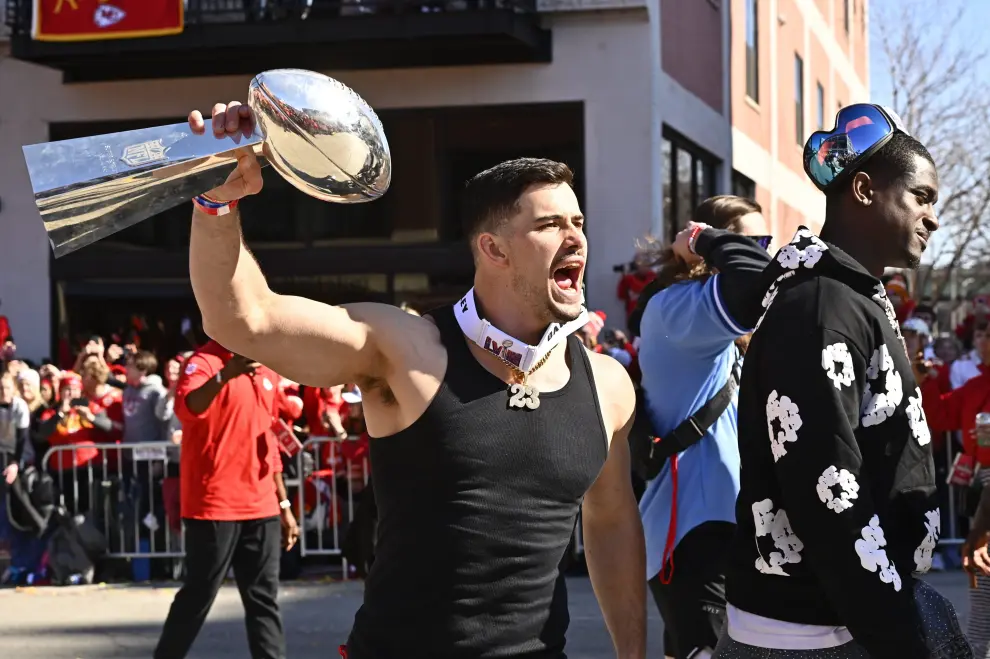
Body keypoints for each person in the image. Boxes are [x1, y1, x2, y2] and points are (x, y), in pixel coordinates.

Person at [183, 102, 645, 659]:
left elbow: (613, 521)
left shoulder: (607, 384)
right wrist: (217, 199)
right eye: (549, 225)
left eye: (578, 223)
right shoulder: (406, 349)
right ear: (493, 248)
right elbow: (243, 318)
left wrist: (634, 653)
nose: (576, 238)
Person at [715, 105, 965, 659]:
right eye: (921, 197)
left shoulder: (846, 297)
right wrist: (899, 635)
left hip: (846, 616)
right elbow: (829, 490)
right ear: (864, 189)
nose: (933, 218)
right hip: (813, 633)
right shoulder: (821, 307)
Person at [634, 196, 771, 659]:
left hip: (721, 523)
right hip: (693, 530)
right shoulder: (678, 309)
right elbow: (756, 278)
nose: (764, 255)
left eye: (765, 243)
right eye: (750, 243)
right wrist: (704, 239)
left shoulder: (703, 321)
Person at [152, 345, 299, 659]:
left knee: (264, 600)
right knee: (199, 594)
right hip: (214, 505)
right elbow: (187, 408)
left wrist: (284, 505)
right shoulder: (203, 362)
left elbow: (269, 440)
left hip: (263, 506)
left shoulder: (268, 367)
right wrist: (225, 374)